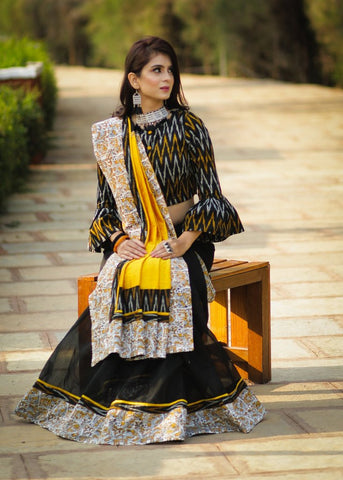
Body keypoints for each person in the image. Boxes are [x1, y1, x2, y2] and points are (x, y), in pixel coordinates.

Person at [15, 36, 265, 445]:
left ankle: (168, 398)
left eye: (170, 70)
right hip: (135, 238)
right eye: (156, 70)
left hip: (186, 239)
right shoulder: (113, 136)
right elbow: (104, 208)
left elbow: (214, 197)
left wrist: (184, 242)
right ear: (134, 80)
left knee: (176, 280)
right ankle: (124, 393)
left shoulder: (189, 127)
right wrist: (116, 241)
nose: (166, 77)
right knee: (120, 276)